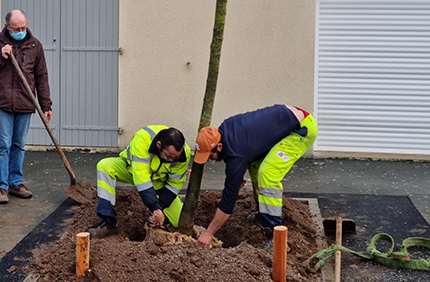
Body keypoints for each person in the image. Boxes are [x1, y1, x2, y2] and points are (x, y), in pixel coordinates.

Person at [193, 104, 318, 248]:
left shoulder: (235, 156)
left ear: (219, 146)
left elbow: (228, 200)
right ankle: (263, 213)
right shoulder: (226, 128)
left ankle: (276, 236)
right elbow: (249, 149)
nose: (209, 159)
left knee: (268, 173)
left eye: (210, 155)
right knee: (255, 166)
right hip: (288, 117)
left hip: (301, 129)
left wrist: (209, 232)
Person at [0, 9, 51, 204]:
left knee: (19, 145)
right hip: (1, 102)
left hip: (25, 102)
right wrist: (0, 57)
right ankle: (1, 187)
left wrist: (46, 105)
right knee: (4, 144)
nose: (20, 31)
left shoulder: (35, 45)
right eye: (16, 28)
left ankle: (15, 183)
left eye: (23, 27)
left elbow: (41, 77)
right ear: (7, 27)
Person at [88, 126, 191, 238]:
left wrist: (160, 207)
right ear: (159, 145)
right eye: (169, 156)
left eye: (175, 158)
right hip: (132, 172)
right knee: (105, 166)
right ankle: (108, 221)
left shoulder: (184, 153)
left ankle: (175, 206)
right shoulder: (143, 139)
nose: (172, 160)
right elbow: (142, 178)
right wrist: (155, 209)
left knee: (179, 221)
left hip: (158, 182)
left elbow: (175, 184)